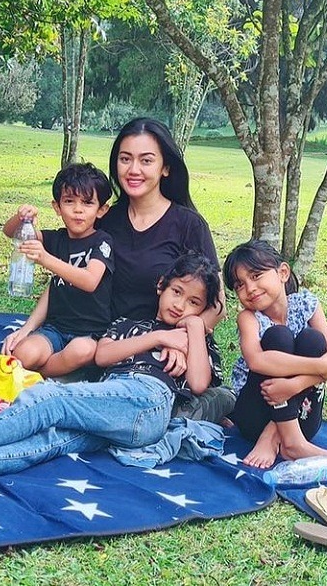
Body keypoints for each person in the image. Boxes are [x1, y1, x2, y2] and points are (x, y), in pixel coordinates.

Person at [0, 253, 222, 490]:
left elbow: (198, 383)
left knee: (52, 397)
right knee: (55, 438)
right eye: (177, 292)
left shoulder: (194, 338)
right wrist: (159, 337)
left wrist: (194, 330)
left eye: (194, 303)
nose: (180, 305)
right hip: (114, 408)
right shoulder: (130, 325)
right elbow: (103, 355)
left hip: (148, 401)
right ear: (161, 285)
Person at [98, 117, 234, 424]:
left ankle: (211, 403)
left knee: (154, 416)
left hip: (172, 351)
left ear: (166, 168)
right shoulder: (106, 221)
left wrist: (182, 341)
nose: (133, 170)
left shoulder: (188, 225)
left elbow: (218, 305)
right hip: (118, 343)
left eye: (146, 160)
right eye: (125, 159)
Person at [223, 239, 327, 469]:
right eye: (239, 285)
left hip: (304, 419)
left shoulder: (306, 305)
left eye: (256, 276)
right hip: (255, 415)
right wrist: (319, 368)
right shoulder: (248, 318)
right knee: (278, 337)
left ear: (282, 272)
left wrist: (293, 386)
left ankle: (280, 438)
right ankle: (290, 441)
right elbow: (257, 361)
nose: (249, 288)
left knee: (313, 340)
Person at [0, 162, 114, 377]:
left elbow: (90, 281)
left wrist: (45, 258)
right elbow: (10, 232)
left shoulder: (102, 241)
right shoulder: (56, 238)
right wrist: (22, 218)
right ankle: (49, 373)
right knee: (24, 353)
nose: (78, 209)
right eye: (69, 201)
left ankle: (35, 377)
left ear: (101, 210)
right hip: (55, 329)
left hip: (91, 334)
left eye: (87, 202)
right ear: (57, 207)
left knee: (82, 350)